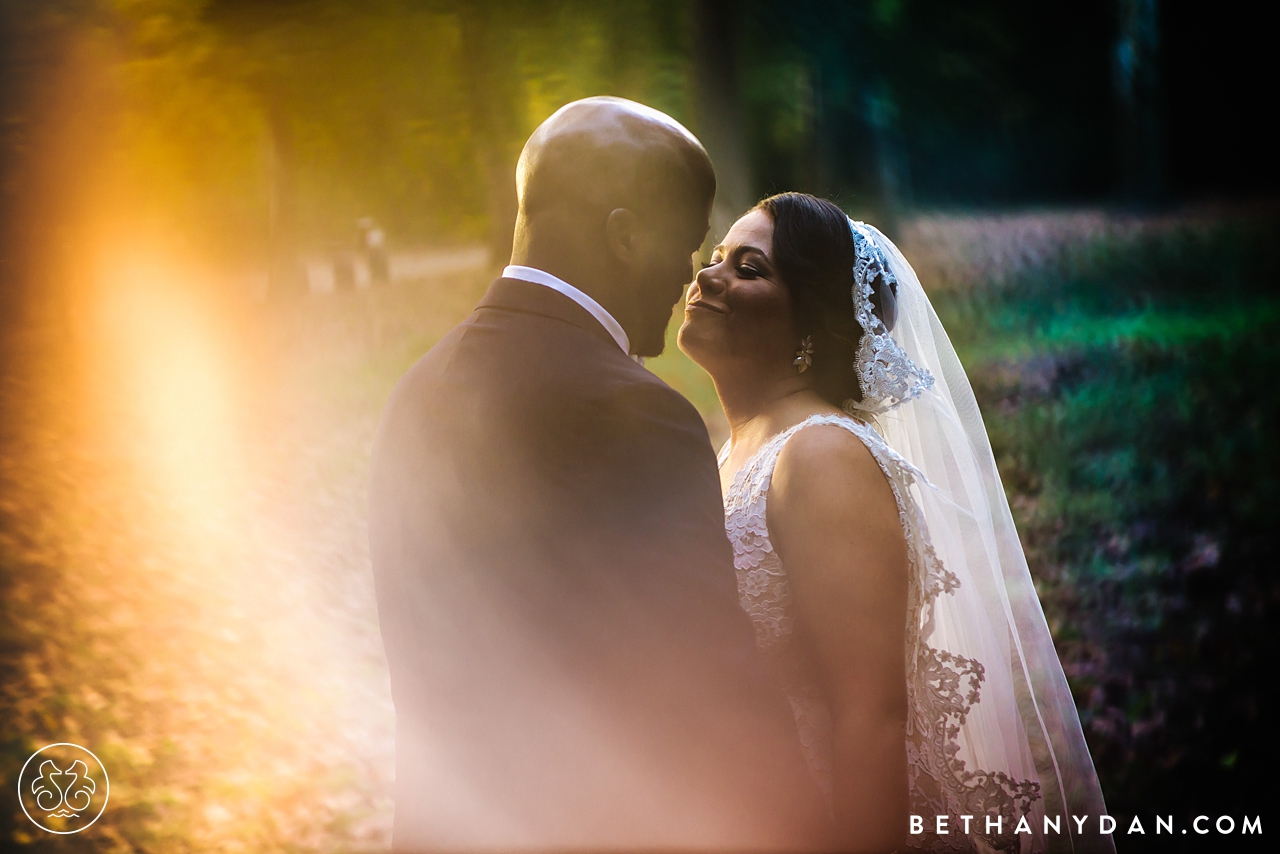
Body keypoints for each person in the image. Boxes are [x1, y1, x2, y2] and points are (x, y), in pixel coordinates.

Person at [367, 100, 830, 851]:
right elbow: (709, 688)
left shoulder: (417, 390)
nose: (688, 283)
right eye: (686, 251)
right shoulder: (634, 416)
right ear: (624, 236)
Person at [678, 193, 1115, 854]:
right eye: (715, 259)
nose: (708, 276)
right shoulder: (737, 451)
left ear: (810, 321)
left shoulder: (822, 456)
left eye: (749, 268)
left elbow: (871, 717)